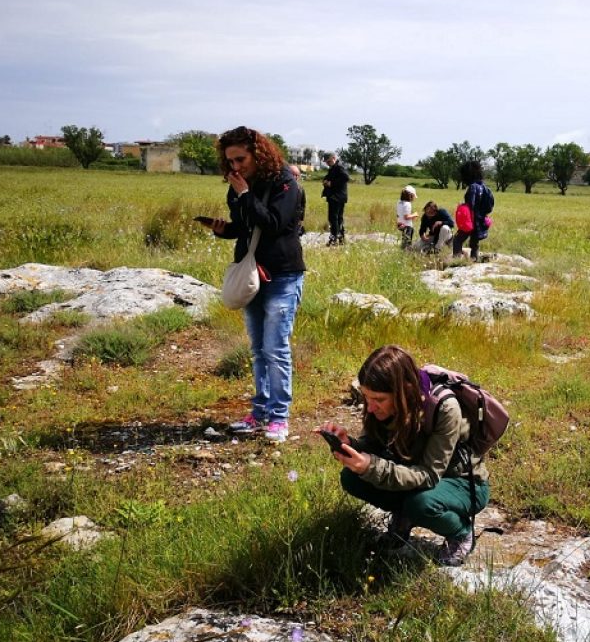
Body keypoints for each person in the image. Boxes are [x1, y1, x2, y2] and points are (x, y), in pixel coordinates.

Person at [316, 345, 490, 566]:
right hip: (415, 473)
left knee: (421, 504)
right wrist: (350, 444)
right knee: (352, 478)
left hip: (461, 483)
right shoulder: (382, 405)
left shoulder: (445, 407)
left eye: (378, 399)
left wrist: (371, 467)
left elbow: (429, 475)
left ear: (404, 391)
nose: (370, 407)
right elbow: (375, 446)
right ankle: (403, 514)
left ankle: (461, 532)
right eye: (366, 397)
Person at [206, 126, 305, 443]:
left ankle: (279, 417)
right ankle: (259, 411)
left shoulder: (285, 182)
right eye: (230, 161)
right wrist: (225, 230)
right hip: (253, 276)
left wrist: (246, 195)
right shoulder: (238, 185)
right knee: (259, 350)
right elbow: (246, 226)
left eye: (241, 159)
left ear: (258, 153)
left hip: (282, 275)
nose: (235, 166)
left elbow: (273, 224)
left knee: (275, 349)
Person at [451, 159, 492, 260]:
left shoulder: (473, 187)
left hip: (470, 221)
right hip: (480, 221)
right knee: (474, 243)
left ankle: (457, 261)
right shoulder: (485, 188)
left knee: (457, 240)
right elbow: (490, 206)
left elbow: (471, 205)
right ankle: (475, 259)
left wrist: (463, 205)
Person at [321, 152, 349, 246]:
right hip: (337, 196)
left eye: (329, 161)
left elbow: (346, 177)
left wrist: (331, 183)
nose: (327, 163)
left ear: (334, 158)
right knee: (338, 218)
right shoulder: (334, 168)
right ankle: (341, 238)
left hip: (337, 196)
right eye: (326, 162)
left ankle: (334, 239)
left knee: (333, 218)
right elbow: (330, 177)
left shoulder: (339, 167)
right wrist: (325, 180)